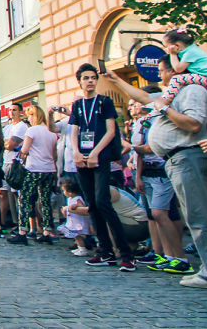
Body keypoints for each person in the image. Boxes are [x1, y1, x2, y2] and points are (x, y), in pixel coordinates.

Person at [105, 58, 207, 288]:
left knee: (200, 217)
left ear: (174, 70)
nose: (159, 77)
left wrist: (165, 109)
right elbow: (144, 97)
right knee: (194, 217)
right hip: (177, 160)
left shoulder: (191, 90)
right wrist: (115, 79)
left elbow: (193, 125)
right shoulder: (174, 93)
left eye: (161, 71)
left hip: (187, 157)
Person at [68, 62, 134, 272]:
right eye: (86, 78)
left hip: (100, 158)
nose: (90, 81)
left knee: (103, 201)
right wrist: (76, 152)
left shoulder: (104, 102)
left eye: (93, 78)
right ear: (79, 81)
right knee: (92, 204)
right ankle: (104, 250)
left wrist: (96, 153)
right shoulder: (78, 105)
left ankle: (125, 254)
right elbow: (74, 131)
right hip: (82, 159)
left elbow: (111, 131)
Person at [130, 91, 190, 273]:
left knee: (160, 213)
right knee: (155, 215)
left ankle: (180, 257)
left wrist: (132, 148)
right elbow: (141, 152)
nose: (145, 111)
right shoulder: (144, 123)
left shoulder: (163, 121)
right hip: (147, 171)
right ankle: (169, 256)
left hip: (162, 171)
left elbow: (151, 147)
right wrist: (139, 175)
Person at [9, 104, 59, 245]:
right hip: (49, 169)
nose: (28, 118)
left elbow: (24, 150)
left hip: (34, 169)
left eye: (29, 115)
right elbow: (54, 155)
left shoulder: (32, 131)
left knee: (25, 199)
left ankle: (22, 231)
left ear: (34, 116)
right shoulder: (52, 132)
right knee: (45, 200)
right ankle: (47, 231)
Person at [155, 29, 207, 110]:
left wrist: (172, 54)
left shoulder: (190, 52)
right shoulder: (189, 51)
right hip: (206, 79)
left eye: (167, 47)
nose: (167, 50)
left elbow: (178, 68)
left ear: (177, 46)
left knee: (177, 79)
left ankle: (166, 100)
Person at [1, 102, 28, 230]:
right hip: (6, 162)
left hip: (16, 163)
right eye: (10, 110)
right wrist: (6, 143)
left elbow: (9, 145)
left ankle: (24, 223)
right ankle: (13, 221)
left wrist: (6, 143)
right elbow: (0, 143)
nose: (12, 112)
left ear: (20, 112)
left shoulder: (21, 127)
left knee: (18, 194)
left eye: (15, 110)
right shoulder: (7, 128)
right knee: (6, 194)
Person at [57, 178, 92, 256]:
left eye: (64, 191)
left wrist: (75, 206)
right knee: (76, 236)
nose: (63, 192)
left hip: (78, 222)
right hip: (73, 221)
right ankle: (80, 248)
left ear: (70, 191)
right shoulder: (70, 198)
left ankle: (83, 249)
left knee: (78, 236)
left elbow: (81, 206)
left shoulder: (77, 199)